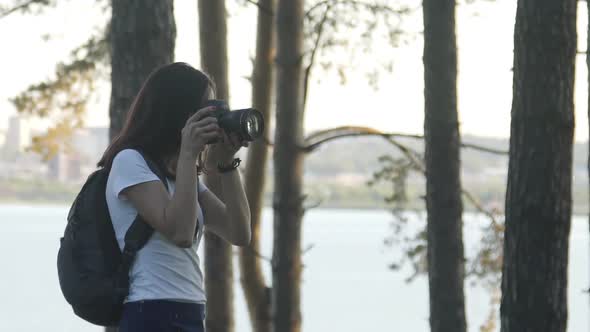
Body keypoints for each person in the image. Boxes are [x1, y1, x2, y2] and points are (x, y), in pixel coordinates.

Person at [97, 62, 251, 332]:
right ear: (179, 111)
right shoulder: (130, 161)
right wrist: (189, 154)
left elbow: (239, 232)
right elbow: (180, 232)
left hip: (191, 310)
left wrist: (227, 164)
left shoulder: (179, 176)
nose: (212, 120)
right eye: (205, 109)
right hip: (150, 311)